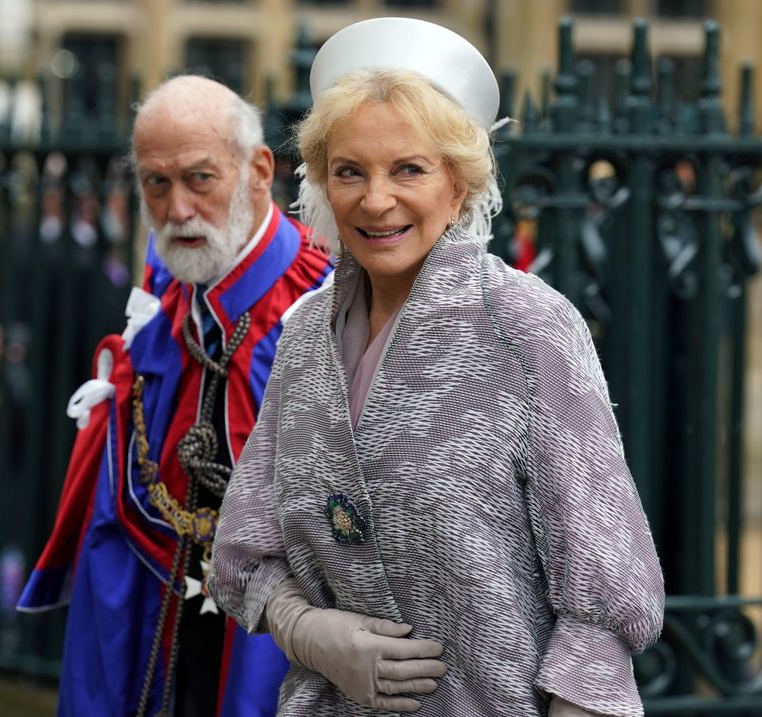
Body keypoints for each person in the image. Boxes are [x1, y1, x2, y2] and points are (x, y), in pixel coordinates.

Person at [208, 17, 664, 717]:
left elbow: (603, 605)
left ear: (459, 186)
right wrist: (308, 630)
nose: (376, 198)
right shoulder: (302, 336)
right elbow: (246, 554)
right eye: (350, 171)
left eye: (409, 169)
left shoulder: (528, 328)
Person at [18, 75, 334, 717]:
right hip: (171, 647)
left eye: (199, 179)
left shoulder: (327, 304)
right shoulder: (166, 309)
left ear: (258, 171)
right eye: (155, 184)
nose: (177, 209)